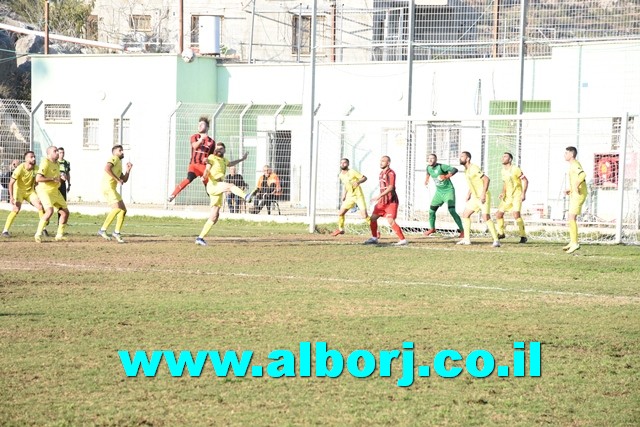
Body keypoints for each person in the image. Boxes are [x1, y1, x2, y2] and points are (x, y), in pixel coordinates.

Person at [195, 142, 252, 246]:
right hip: (214, 184)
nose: (219, 150)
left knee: (214, 216)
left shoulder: (224, 160)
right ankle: (246, 196)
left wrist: (242, 159)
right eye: (217, 148)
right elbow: (207, 167)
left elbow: (231, 163)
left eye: (221, 149)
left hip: (218, 186)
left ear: (224, 150)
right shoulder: (212, 157)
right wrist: (204, 176)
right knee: (230, 186)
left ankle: (200, 238)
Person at [168, 116, 216, 202]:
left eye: (202, 124)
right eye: (199, 125)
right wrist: (201, 139)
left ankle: (214, 202)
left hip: (203, 167)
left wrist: (207, 160)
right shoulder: (194, 137)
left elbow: (211, 156)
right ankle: (173, 195)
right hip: (194, 165)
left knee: (208, 185)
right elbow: (195, 146)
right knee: (188, 179)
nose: (200, 126)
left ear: (207, 127)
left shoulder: (212, 142)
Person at [457, 151, 500, 247]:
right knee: (465, 215)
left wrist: (483, 194)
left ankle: (496, 240)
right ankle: (467, 239)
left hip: (483, 196)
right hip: (475, 197)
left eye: (462, 156)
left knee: (485, 217)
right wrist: (469, 194)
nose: (460, 158)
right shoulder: (466, 170)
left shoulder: (474, 168)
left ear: (467, 158)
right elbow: (473, 183)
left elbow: (486, 179)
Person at [363, 155, 407, 246]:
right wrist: (380, 197)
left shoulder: (391, 173)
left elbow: (391, 187)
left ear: (388, 163)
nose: (381, 162)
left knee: (390, 220)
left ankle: (403, 240)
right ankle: (374, 238)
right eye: (380, 161)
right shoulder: (380, 173)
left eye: (383, 161)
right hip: (382, 202)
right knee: (373, 218)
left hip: (391, 201)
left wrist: (379, 196)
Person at [2, 151, 46, 237]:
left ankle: (43, 229)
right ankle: (5, 231)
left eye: (34, 157)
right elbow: (11, 183)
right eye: (31, 157)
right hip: (19, 191)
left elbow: (37, 183)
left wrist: (39, 195)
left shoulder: (36, 168)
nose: (34, 158)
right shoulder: (20, 168)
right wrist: (11, 197)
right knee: (16, 209)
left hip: (30, 192)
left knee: (40, 206)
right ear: (26, 159)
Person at [97, 145, 133, 244]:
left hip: (111, 188)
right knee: (117, 208)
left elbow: (124, 180)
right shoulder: (114, 158)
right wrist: (117, 180)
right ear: (114, 152)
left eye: (122, 150)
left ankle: (116, 232)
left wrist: (128, 170)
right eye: (120, 150)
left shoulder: (119, 163)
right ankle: (102, 230)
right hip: (107, 187)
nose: (122, 152)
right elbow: (107, 168)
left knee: (123, 210)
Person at [423, 153, 464, 238]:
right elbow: (428, 173)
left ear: (436, 160)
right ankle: (432, 229)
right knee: (431, 211)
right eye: (429, 158)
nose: (430, 160)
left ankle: (462, 231)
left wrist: (446, 176)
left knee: (452, 211)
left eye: (432, 158)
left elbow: (455, 169)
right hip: (439, 193)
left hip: (448, 191)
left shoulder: (441, 167)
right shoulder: (428, 167)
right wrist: (426, 180)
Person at [34, 146, 69, 243]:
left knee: (65, 212)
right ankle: (38, 234)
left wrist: (61, 179)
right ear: (49, 154)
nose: (57, 153)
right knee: (49, 211)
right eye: (55, 151)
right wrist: (52, 179)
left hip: (55, 191)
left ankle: (59, 236)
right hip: (45, 191)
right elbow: (38, 178)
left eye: (57, 151)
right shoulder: (45, 163)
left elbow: (56, 178)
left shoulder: (57, 163)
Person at [331, 158, 370, 236]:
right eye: (341, 162)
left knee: (364, 215)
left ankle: (375, 230)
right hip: (349, 197)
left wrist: (358, 182)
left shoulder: (352, 172)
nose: (342, 164)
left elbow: (364, 178)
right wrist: (344, 194)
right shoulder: (340, 175)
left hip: (358, 196)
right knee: (341, 213)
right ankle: (341, 229)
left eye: (344, 163)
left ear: (348, 164)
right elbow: (346, 185)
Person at [495, 152, 528, 244]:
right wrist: (503, 192)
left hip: (516, 195)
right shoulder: (503, 170)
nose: (503, 158)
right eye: (502, 156)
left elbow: (525, 180)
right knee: (498, 214)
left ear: (510, 159)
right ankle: (501, 233)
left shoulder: (515, 169)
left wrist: (523, 193)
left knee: (516, 214)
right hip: (508, 197)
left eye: (505, 156)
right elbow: (505, 183)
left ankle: (523, 236)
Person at [563, 146, 587, 254]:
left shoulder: (575, 164)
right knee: (571, 217)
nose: (564, 155)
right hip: (575, 193)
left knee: (571, 217)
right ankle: (572, 242)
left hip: (579, 194)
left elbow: (582, 174)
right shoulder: (572, 165)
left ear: (571, 154)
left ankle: (575, 243)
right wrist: (571, 189)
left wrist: (577, 186)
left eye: (566, 153)